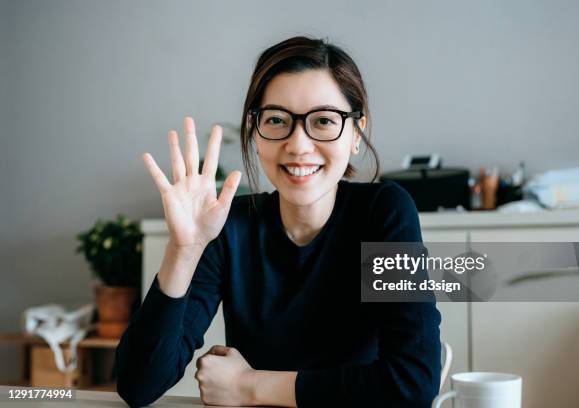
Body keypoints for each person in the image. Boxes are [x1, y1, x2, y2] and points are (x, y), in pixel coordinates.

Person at [116, 36, 441, 408]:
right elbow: (138, 387)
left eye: (323, 121)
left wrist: (251, 386)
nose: (298, 144)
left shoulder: (384, 213)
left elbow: (413, 384)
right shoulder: (229, 226)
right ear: (256, 132)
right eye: (276, 120)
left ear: (356, 132)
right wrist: (183, 250)